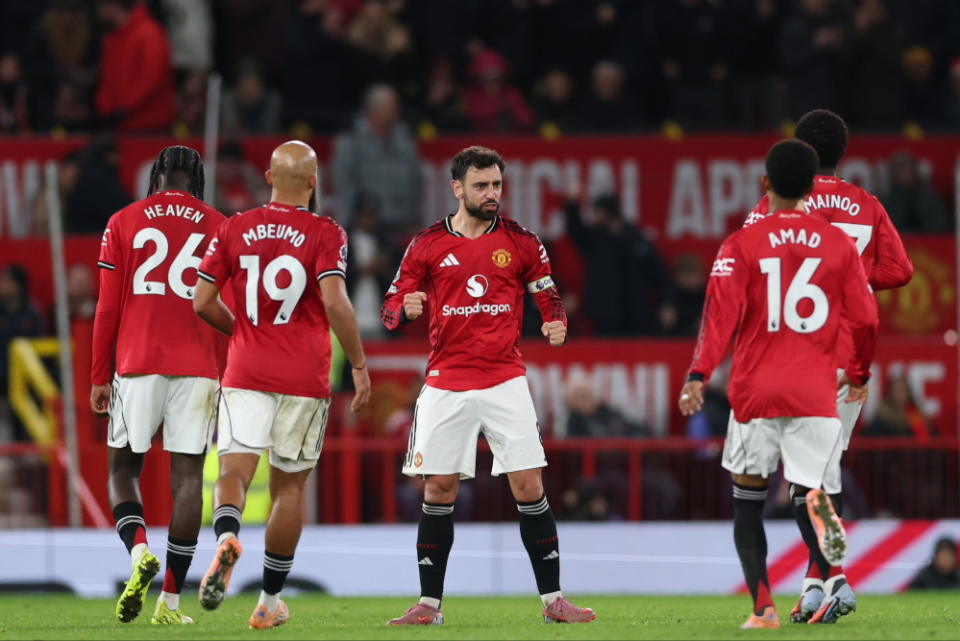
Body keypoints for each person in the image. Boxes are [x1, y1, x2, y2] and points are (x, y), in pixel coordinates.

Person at [380, 146, 595, 625]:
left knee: (529, 484)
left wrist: (556, 321)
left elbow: (549, 294)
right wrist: (403, 312)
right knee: (438, 489)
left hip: (504, 380)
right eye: (481, 186)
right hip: (446, 382)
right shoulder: (427, 244)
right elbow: (389, 306)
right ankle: (429, 606)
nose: (491, 193)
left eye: (496, 184)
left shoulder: (522, 242)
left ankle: (554, 602)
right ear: (457, 188)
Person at [680, 139, 879, 630]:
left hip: (756, 391)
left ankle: (763, 609)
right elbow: (866, 319)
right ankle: (832, 566)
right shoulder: (837, 244)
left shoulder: (741, 243)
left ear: (765, 183)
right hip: (815, 390)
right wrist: (858, 374)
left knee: (748, 499)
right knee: (808, 487)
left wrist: (699, 374)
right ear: (813, 188)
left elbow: (718, 317)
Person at [743, 109, 914, 624]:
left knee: (803, 476)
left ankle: (836, 578)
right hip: (850, 357)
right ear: (842, 152)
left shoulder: (782, 198)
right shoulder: (867, 204)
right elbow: (900, 270)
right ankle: (815, 585)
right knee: (820, 471)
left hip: (798, 353)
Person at [192, 140, 371, 630]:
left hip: (246, 371)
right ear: (313, 183)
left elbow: (201, 301)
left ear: (269, 178)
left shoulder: (233, 227)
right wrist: (358, 363)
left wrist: (244, 334)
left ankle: (226, 537)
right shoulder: (326, 232)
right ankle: (268, 602)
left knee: (233, 470)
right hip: (303, 378)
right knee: (288, 488)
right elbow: (334, 302)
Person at [89, 146, 225, 625]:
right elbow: (226, 307)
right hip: (198, 366)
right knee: (188, 481)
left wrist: (98, 376)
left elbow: (106, 308)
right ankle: (169, 601)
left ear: (157, 177)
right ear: (197, 178)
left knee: (122, 470)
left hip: (137, 363)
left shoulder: (123, 221)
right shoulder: (219, 225)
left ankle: (139, 551)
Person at [331, 84, 421, 232]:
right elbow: (343, 181)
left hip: (401, 224)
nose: (396, 110)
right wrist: (358, 215)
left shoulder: (405, 141)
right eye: (391, 106)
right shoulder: (351, 140)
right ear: (374, 108)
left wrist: (414, 215)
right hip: (365, 226)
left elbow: (414, 182)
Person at [94, 0, 175, 132]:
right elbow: (107, 78)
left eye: (100, 5)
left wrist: (124, 107)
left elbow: (152, 79)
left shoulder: (149, 34)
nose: (97, 11)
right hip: (118, 125)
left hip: (150, 128)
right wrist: (104, 106)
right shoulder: (111, 38)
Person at [880, 150, 950, 233]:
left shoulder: (931, 200)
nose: (906, 172)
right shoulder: (885, 203)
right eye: (901, 168)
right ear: (893, 173)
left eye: (909, 168)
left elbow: (940, 227)